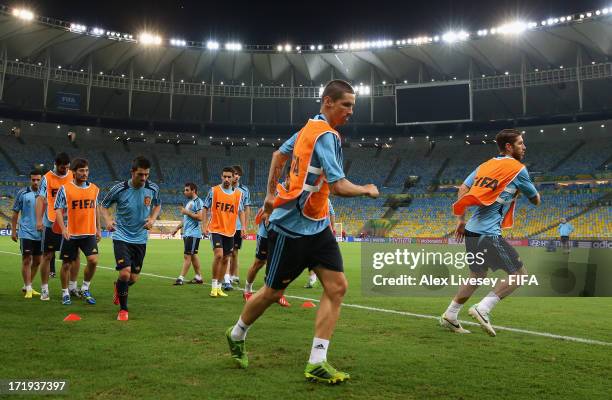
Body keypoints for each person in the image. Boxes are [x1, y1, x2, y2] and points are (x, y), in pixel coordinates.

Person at [225, 80, 379, 384]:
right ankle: (236, 333)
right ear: (327, 102)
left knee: (337, 287)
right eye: (346, 105)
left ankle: (317, 361)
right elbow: (338, 186)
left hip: (318, 225)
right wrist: (367, 190)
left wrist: (270, 193)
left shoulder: (309, 129)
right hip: (292, 229)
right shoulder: (325, 136)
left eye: (352, 106)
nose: (350, 112)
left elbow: (278, 157)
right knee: (272, 292)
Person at [440, 128, 541, 336]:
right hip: (488, 233)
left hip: (471, 231)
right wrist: (522, 190)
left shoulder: (485, 165)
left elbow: (462, 189)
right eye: (521, 143)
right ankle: (483, 308)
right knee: (519, 275)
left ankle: (450, 315)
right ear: (508, 147)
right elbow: (536, 200)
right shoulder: (517, 169)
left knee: (477, 275)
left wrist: (460, 220)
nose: (524, 147)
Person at [100, 156, 161, 321]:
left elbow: (157, 205)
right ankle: (123, 310)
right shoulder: (119, 189)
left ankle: (118, 287)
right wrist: (108, 220)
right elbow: (103, 205)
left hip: (140, 238)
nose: (144, 178)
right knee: (125, 274)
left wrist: (153, 219)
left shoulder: (153, 188)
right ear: (132, 172)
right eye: (140, 174)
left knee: (132, 278)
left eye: (147, 175)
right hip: (121, 235)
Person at [54, 159, 101, 305]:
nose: (84, 173)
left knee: (93, 261)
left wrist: (99, 229)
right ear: (73, 172)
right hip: (72, 233)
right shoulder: (65, 189)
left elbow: (96, 209)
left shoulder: (94, 188)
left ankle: (85, 288)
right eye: (81, 170)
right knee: (67, 265)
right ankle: (65, 292)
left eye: (86, 170)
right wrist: (63, 229)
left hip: (88, 232)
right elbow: (58, 210)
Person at [36, 153, 80, 301]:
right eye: (63, 168)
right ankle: (44, 289)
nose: (65, 170)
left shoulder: (72, 175)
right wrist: (39, 220)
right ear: (56, 164)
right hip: (51, 221)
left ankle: (73, 287)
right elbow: (41, 199)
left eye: (67, 167)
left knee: (74, 256)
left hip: (70, 222)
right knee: (47, 255)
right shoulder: (47, 178)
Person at [203, 167, 246, 297]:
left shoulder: (238, 195)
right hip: (216, 229)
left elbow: (241, 211)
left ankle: (220, 287)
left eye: (229, 177)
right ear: (221, 177)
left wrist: (243, 227)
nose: (227, 179)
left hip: (230, 231)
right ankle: (214, 286)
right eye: (225, 177)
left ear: (233, 178)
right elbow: (205, 208)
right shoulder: (214, 191)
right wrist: (204, 225)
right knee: (219, 255)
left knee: (226, 258)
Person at [242, 207, 290, 307]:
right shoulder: (270, 201)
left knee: (277, 265)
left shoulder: (288, 200)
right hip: (265, 236)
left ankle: (277, 294)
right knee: (258, 263)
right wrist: (274, 215)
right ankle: (247, 291)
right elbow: (258, 218)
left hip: (279, 236)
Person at [12, 170, 43, 299]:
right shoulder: (23, 193)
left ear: (42, 180)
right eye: (33, 180)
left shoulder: (45, 194)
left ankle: (27, 285)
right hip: (26, 232)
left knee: (37, 261)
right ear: (30, 180)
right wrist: (14, 231)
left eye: (38, 180)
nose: (35, 182)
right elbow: (15, 213)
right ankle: (29, 287)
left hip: (41, 234)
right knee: (26, 259)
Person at [222, 165, 251, 291]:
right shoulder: (225, 189)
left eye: (238, 174)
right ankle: (226, 276)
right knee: (226, 252)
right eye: (234, 174)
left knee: (235, 252)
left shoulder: (244, 190)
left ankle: (234, 276)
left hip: (238, 226)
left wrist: (245, 225)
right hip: (226, 225)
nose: (236, 176)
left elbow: (246, 208)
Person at [172, 183, 205, 285]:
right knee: (193, 255)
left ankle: (180, 278)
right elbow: (186, 219)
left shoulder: (198, 202)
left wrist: (187, 212)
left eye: (187, 190)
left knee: (187, 256)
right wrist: (177, 228)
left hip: (193, 233)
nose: (184, 192)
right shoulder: (189, 203)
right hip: (187, 233)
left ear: (193, 190)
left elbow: (200, 217)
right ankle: (198, 277)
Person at [305, 198, 336, 289]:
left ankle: (313, 279)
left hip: (312, 231)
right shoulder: (327, 199)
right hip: (324, 231)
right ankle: (316, 279)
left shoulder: (308, 197)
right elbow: (332, 214)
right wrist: (332, 229)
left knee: (311, 256)